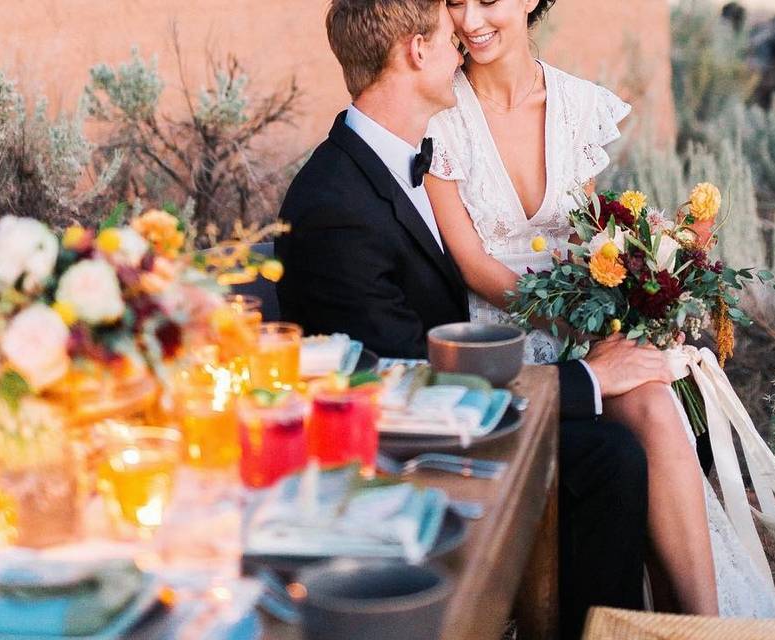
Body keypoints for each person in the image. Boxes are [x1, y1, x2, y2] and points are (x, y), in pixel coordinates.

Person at [275, 1, 669, 635]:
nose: (460, 36)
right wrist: (586, 381)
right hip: (388, 451)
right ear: (416, 51)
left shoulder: (405, 158)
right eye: (443, 25)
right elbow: (398, 372)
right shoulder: (336, 202)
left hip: (439, 405)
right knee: (608, 456)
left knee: (625, 436)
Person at [424, 0, 775, 618]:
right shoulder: (440, 117)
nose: (470, 20)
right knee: (635, 392)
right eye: (455, 3)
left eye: (487, 1)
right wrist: (567, 322)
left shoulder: (577, 106)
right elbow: (472, 263)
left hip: (583, 328)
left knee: (654, 402)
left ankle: (699, 622)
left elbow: (590, 238)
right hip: (504, 347)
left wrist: (628, 302)